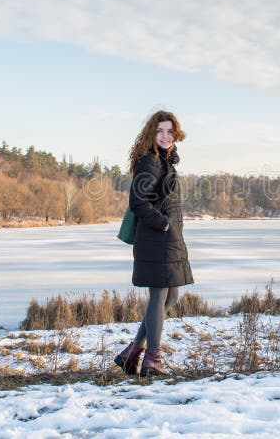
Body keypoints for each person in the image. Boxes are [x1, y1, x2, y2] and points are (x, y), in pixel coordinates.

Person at [114, 110, 193, 376]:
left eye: (170, 131)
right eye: (160, 131)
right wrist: (162, 223)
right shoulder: (150, 162)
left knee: (171, 295)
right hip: (156, 237)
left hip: (168, 239)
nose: (165, 136)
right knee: (159, 296)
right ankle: (152, 360)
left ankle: (132, 352)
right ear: (152, 133)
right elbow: (137, 201)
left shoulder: (165, 161)